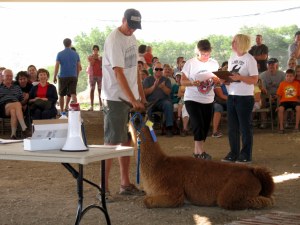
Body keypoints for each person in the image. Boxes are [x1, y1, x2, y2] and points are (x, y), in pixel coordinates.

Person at [101, 8, 146, 200]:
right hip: (115, 98)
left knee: (127, 141)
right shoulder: (114, 40)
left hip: (131, 98)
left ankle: (125, 184)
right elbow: (118, 73)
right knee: (111, 142)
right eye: (130, 26)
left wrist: (140, 94)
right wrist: (132, 99)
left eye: (135, 27)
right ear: (123, 20)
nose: (132, 30)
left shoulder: (132, 39)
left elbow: (134, 69)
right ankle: (102, 189)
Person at [222, 34, 258, 164]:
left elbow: (254, 79)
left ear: (242, 43)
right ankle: (233, 153)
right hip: (231, 95)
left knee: (245, 127)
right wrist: (225, 80)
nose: (232, 43)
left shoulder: (250, 59)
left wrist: (240, 78)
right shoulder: (232, 58)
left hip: (245, 98)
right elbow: (232, 78)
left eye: (235, 41)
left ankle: (246, 154)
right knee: (232, 127)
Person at [180, 39, 220, 160]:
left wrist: (217, 80)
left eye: (207, 54)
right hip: (192, 98)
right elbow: (182, 81)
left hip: (208, 99)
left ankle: (197, 152)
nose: (205, 56)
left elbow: (217, 80)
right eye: (203, 54)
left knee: (205, 126)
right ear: (197, 51)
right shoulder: (190, 63)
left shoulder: (214, 63)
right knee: (198, 124)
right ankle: (200, 152)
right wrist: (193, 83)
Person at [143, 62, 174, 137]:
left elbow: (168, 92)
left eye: (160, 69)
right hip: (150, 102)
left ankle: (168, 128)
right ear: (153, 70)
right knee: (147, 109)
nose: (159, 71)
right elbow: (145, 93)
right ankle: (149, 128)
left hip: (162, 101)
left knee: (168, 104)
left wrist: (163, 87)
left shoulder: (166, 80)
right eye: (157, 69)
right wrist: (154, 86)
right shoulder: (147, 79)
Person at [0, 69, 31, 139]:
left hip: (16, 107)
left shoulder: (17, 87)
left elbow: (22, 102)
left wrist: (25, 99)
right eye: (7, 76)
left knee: (13, 111)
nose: (9, 77)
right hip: (3, 107)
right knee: (17, 104)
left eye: (11, 76)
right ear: (2, 77)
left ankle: (13, 135)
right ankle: (24, 128)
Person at [53, 38, 82, 114]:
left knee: (61, 94)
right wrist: (76, 76)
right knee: (73, 93)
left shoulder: (60, 54)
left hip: (63, 76)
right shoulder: (76, 54)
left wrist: (54, 76)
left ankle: (62, 111)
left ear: (63, 44)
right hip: (73, 76)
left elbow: (57, 66)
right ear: (70, 43)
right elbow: (78, 66)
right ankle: (76, 112)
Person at [259, 58, 285, 128]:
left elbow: (284, 87)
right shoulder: (262, 75)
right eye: (269, 64)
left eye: (273, 64)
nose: (271, 66)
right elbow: (263, 88)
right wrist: (268, 95)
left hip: (279, 95)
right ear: (267, 65)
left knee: (284, 100)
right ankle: (264, 121)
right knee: (262, 99)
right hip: (267, 95)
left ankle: (283, 121)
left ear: (277, 65)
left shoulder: (282, 74)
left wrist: (278, 95)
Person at [276, 69, 300, 133]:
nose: (289, 77)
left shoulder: (297, 84)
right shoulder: (282, 83)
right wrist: (278, 105)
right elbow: (278, 96)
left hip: (294, 101)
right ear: (285, 76)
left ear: (294, 77)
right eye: (287, 76)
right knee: (280, 109)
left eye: (291, 76)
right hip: (284, 101)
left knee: (299, 108)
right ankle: (281, 127)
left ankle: (296, 127)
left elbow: (299, 95)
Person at [87, 45, 103, 111]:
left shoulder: (101, 57)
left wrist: (99, 59)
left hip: (99, 75)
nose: (95, 51)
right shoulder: (90, 57)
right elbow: (91, 64)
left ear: (98, 50)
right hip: (92, 75)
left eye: (96, 50)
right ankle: (91, 106)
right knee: (92, 90)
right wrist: (94, 58)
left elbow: (102, 64)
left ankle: (101, 106)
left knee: (100, 90)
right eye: (94, 50)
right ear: (92, 50)